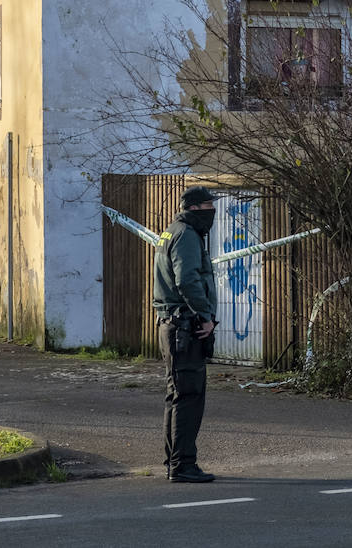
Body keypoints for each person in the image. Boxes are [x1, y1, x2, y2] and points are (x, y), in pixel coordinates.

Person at [152, 185, 220, 483]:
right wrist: (205, 316)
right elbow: (188, 280)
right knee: (188, 397)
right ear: (194, 208)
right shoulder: (187, 236)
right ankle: (182, 466)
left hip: (172, 324)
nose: (212, 212)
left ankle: (175, 461)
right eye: (208, 206)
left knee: (177, 396)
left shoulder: (172, 231)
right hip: (184, 326)